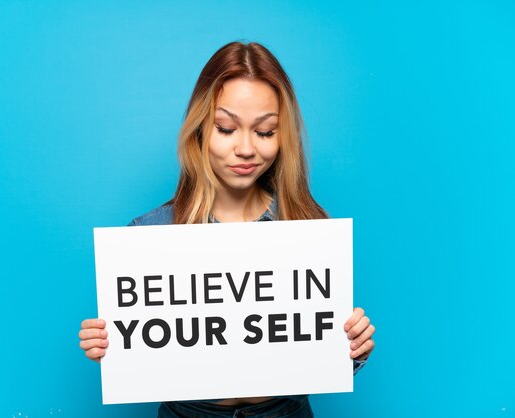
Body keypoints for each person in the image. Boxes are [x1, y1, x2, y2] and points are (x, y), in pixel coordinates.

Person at [79, 41, 375, 418]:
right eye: (226, 128)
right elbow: (143, 355)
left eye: (266, 132)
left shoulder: (309, 227)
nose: (246, 148)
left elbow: (316, 348)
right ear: (200, 128)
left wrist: (353, 349)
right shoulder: (149, 235)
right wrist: (108, 346)